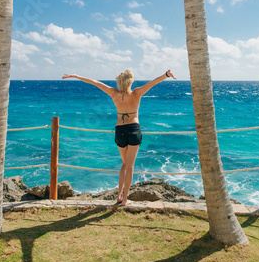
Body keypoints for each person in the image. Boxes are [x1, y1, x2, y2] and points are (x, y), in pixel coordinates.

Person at [62, 70, 176, 206]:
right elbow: (153, 83)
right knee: (130, 166)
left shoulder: (114, 93)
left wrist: (76, 76)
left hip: (120, 130)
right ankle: (125, 199)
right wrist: (166, 75)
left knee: (124, 164)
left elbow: (95, 83)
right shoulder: (137, 93)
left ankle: (119, 195)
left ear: (119, 81)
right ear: (131, 81)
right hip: (133, 129)